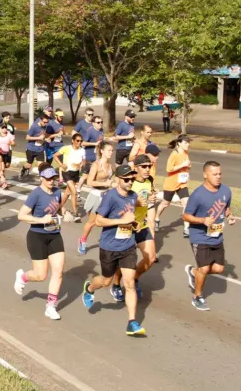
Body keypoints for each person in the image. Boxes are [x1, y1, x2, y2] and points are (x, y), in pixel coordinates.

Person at [81, 164, 146, 337]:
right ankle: (90, 288)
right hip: (109, 246)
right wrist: (122, 221)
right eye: (127, 179)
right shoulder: (110, 197)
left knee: (129, 283)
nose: (130, 182)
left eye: (132, 179)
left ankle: (132, 323)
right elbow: (99, 221)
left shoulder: (133, 196)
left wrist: (133, 223)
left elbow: (128, 217)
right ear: (118, 179)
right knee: (106, 281)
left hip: (127, 246)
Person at [14, 163, 75, 320]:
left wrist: (66, 213)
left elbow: (59, 207)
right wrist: (40, 219)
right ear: (42, 178)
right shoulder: (36, 194)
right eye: (48, 179)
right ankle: (23, 277)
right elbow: (21, 215)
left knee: (58, 271)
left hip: (54, 235)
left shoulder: (57, 192)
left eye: (54, 178)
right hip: (37, 236)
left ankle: (50, 306)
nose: (51, 181)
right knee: (41, 275)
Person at [183, 161, 235, 311]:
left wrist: (229, 216)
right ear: (205, 175)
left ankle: (193, 272)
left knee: (218, 269)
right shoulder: (198, 195)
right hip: (199, 235)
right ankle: (197, 297)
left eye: (220, 173)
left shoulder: (226, 190)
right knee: (204, 269)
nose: (218, 177)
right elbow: (186, 216)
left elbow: (226, 208)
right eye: (215, 174)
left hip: (217, 235)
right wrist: (202, 220)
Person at [109, 155, 158, 301]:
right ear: (135, 168)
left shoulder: (149, 180)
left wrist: (152, 199)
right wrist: (137, 202)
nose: (147, 169)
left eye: (149, 166)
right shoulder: (129, 182)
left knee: (151, 258)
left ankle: (134, 278)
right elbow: (120, 201)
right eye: (144, 166)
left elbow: (150, 195)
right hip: (126, 227)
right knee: (123, 262)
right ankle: (116, 284)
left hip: (141, 226)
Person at [78, 141, 115, 255]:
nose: (111, 152)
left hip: (107, 195)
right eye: (109, 150)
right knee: (93, 222)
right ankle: (83, 240)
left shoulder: (110, 165)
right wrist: (105, 184)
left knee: (110, 220)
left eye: (112, 150)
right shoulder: (96, 165)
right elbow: (89, 182)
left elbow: (111, 180)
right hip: (96, 196)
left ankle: (110, 242)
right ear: (102, 151)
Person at [155, 135, 192, 237]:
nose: (187, 144)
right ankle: (156, 219)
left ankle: (186, 228)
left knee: (186, 203)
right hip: (171, 183)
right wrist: (182, 165)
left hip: (182, 183)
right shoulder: (174, 155)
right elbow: (169, 169)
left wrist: (188, 166)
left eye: (188, 143)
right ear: (179, 143)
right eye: (185, 143)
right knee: (165, 203)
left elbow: (186, 164)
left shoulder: (185, 152)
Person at [53, 133, 85, 221]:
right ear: (73, 141)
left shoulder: (82, 150)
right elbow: (55, 155)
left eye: (81, 141)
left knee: (67, 192)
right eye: (77, 140)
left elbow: (83, 160)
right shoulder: (66, 148)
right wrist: (61, 164)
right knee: (74, 192)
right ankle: (75, 213)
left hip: (75, 173)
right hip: (67, 172)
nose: (79, 142)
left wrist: (81, 164)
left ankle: (57, 208)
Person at [76, 116, 104, 193]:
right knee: (85, 175)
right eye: (98, 122)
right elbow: (83, 143)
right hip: (89, 156)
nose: (100, 124)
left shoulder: (101, 130)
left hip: (97, 157)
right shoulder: (90, 131)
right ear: (93, 123)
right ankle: (78, 189)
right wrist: (94, 144)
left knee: (96, 175)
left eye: (101, 122)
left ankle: (95, 193)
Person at [20, 113, 49, 179]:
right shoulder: (34, 127)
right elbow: (27, 138)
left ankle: (42, 179)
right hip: (31, 149)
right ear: (40, 120)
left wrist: (46, 139)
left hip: (40, 149)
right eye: (44, 122)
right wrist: (38, 138)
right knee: (29, 165)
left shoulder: (45, 126)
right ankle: (24, 169)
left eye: (47, 122)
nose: (46, 123)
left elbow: (42, 136)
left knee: (41, 165)